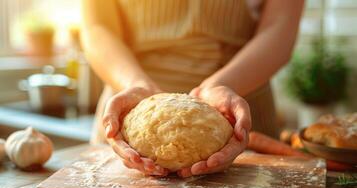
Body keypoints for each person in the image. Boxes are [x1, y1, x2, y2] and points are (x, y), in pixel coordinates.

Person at [81, 0, 304, 177]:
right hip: (130, 102)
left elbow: (280, 25)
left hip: (234, 108)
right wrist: (136, 84)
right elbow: (96, 26)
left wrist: (222, 85)